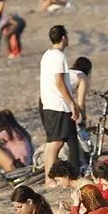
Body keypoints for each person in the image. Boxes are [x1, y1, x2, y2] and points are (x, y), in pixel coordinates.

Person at [39, 25, 80, 186]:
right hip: (57, 104)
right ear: (63, 38)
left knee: (53, 142)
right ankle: (50, 178)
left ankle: (49, 178)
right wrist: (72, 103)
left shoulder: (47, 55)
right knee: (56, 143)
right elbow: (60, 82)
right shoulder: (58, 57)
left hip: (48, 102)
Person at [70, 57, 92, 125]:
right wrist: (84, 118)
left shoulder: (69, 72)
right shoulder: (82, 76)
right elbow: (81, 103)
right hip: (58, 105)